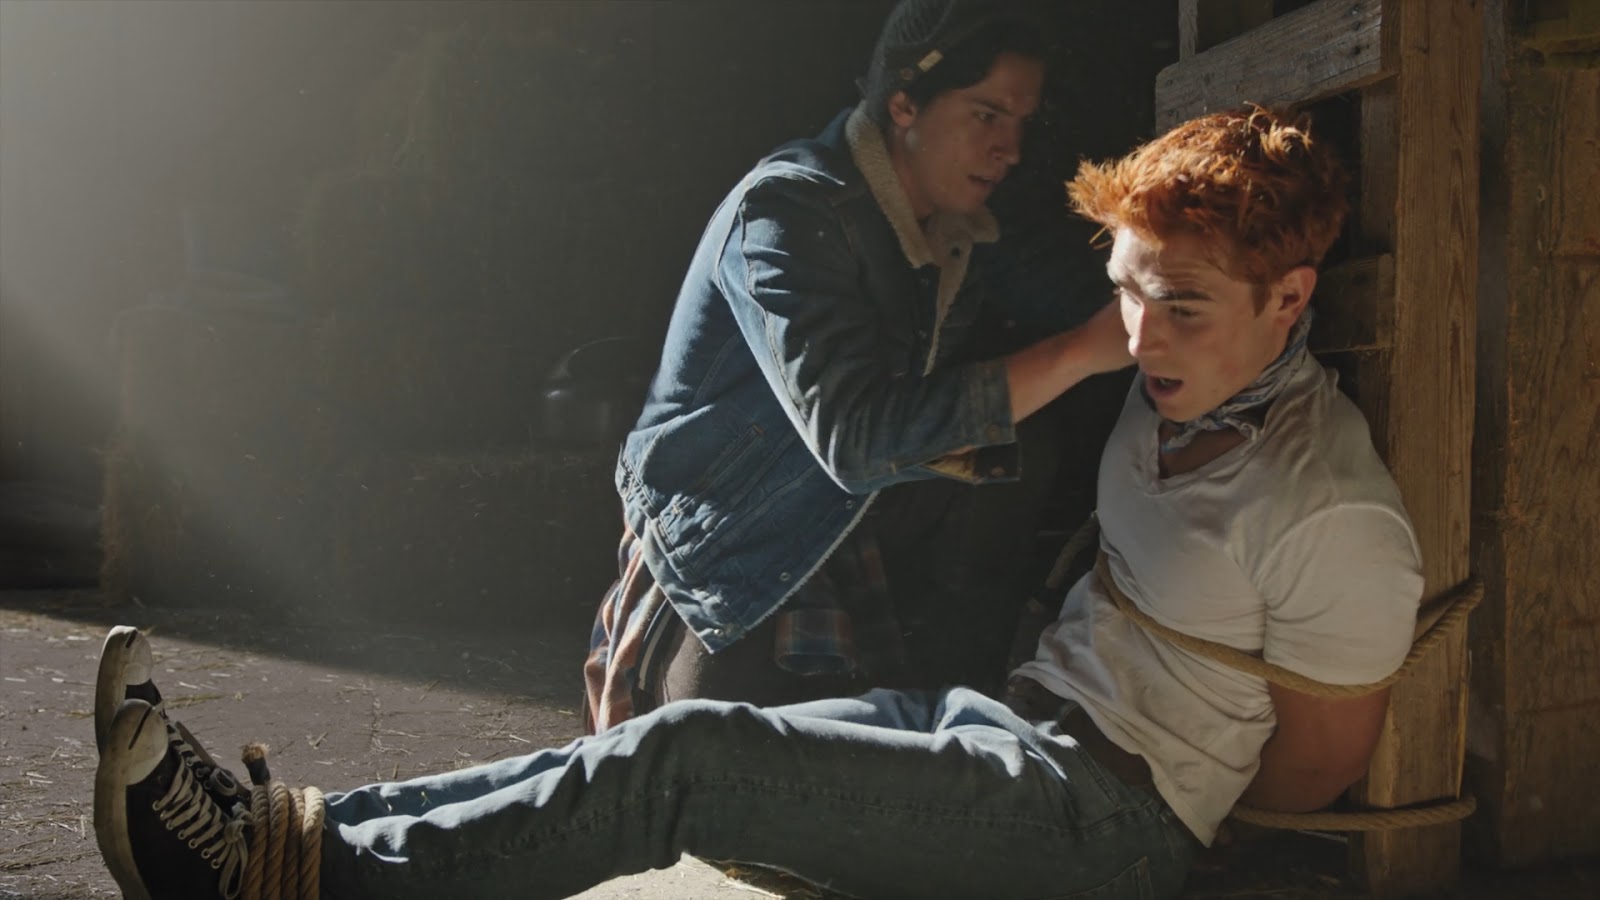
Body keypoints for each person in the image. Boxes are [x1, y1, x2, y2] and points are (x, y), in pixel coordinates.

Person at [89, 103, 1425, 900]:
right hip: (1006, 722)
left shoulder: (1330, 507)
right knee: (676, 740)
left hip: (1100, 823)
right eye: (1126, 288)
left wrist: (1143, 822)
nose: (1138, 333)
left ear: (1290, 299)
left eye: (1180, 304)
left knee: (685, 768)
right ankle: (282, 835)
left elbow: (1313, 767)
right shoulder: (1175, 374)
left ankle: (281, 881)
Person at [584, 0, 1129, 728]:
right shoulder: (786, 210)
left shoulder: (955, 230)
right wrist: (1080, 351)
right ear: (904, 103)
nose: (1011, 148)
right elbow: (856, 442)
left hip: (853, 521)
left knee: (1017, 450)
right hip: (732, 534)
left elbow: (1070, 290)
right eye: (987, 115)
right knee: (723, 757)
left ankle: (955, 705)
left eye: (1021, 122)